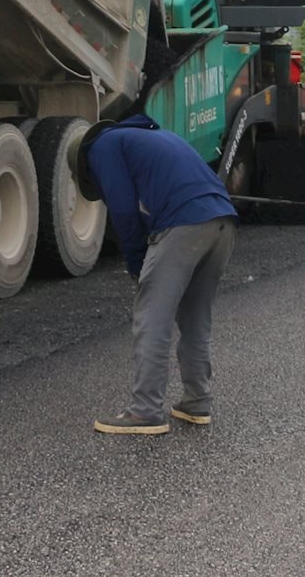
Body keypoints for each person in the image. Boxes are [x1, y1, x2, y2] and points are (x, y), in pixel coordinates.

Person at [75, 111, 240, 436]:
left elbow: (122, 208)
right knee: (195, 318)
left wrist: (136, 263)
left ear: (84, 163)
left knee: (153, 317)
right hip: (223, 221)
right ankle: (197, 402)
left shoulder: (102, 147)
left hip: (184, 224)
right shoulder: (153, 136)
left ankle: (145, 411)